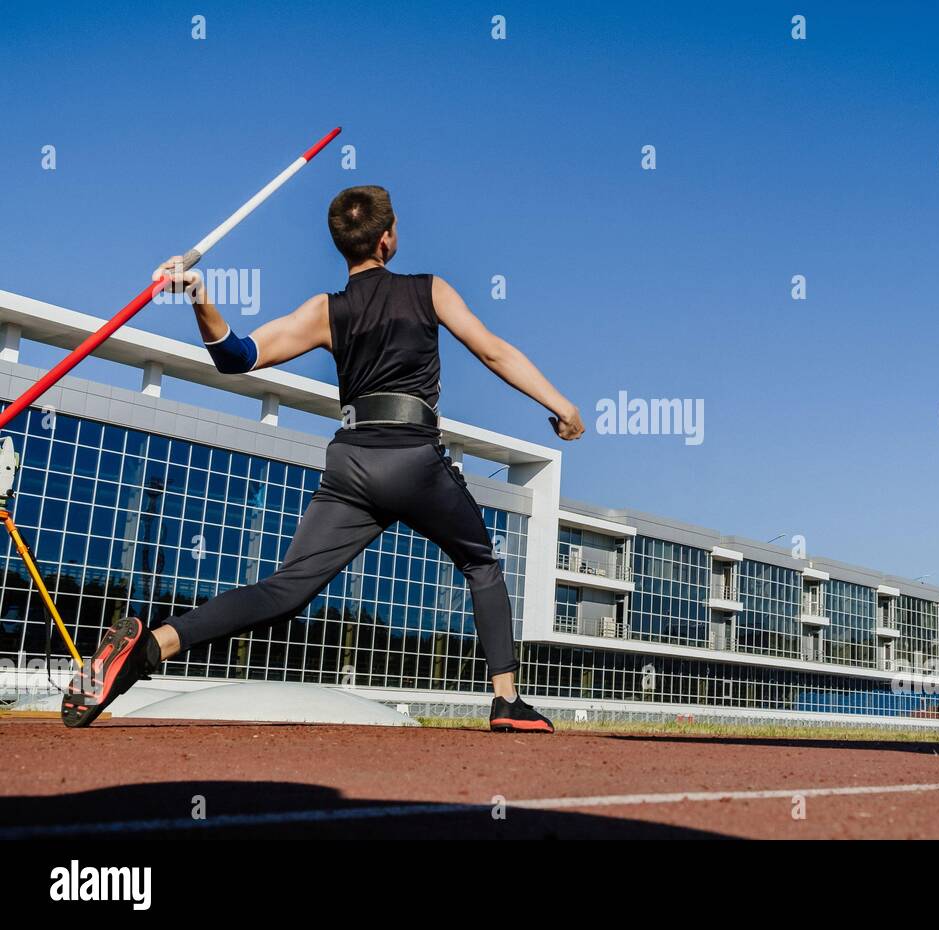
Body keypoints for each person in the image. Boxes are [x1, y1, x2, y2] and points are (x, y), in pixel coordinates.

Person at [62, 185, 585, 732]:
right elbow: (492, 350)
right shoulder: (430, 290)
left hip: (352, 464)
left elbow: (236, 357)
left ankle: (150, 646)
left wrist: (198, 293)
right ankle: (506, 702)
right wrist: (562, 406)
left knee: (285, 589)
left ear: (343, 245)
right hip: (411, 458)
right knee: (481, 564)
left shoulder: (323, 311)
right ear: (388, 238)